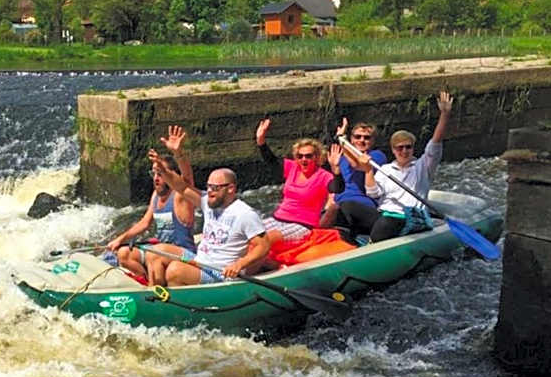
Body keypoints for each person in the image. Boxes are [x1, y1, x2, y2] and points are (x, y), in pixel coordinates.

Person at [146, 150, 269, 286]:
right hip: (199, 260)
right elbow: (181, 187)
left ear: (230, 189)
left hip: (220, 272)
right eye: (208, 186)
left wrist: (239, 264)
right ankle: (154, 291)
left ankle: (175, 297)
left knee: (175, 270)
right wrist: (163, 169)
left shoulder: (245, 214)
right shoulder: (208, 202)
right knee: (155, 253)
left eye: (215, 187)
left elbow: (263, 246)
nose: (209, 191)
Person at [354, 90, 454, 242]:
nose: (404, 151)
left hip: (411, 217)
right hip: (386, 214)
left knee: (386, 223)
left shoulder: (423, 166)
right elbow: (373, 194)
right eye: (399, 148)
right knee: (349, 207)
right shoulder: (385, 170)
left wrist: (444, 115)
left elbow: (436, 142)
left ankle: (373, 244)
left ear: (413, 148)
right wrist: (368, 170)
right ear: (393, 150)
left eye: (408, 147)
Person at [104, 126, 195, 284]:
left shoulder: (180, 196)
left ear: (171, 176)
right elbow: (145, 223)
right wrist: (120, 239)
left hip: (184, 254)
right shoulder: (155, 196)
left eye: (160, 173)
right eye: (154, 173)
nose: (156, 178)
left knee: (155, 253)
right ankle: (147, 281)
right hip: (159, 253)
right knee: (124, 253)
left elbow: (187, 178)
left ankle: (154, 289)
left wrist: (178, 153)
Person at [255, 119, 342, 249]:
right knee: (246, 234)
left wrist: (336, 171)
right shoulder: (293, 167)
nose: (304, 160)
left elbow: (337, 188)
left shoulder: (324, 176)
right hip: (277, 218)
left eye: (308, 156)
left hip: (301, 225)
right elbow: (271, 161)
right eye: (300, 156)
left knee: (265, 240)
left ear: (317, 157)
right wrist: (261, 141)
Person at [321, 118, 387, 242]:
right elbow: (335, 189)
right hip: (339, 208)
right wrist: (335, 169)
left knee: (345, 206)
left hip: (365, 208)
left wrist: (342, 140)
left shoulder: (376, 156)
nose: (361, 140)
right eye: (357, 137)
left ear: (373, 141)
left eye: (367, 138)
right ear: (352, 139)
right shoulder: (341, 158)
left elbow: (357, 164)